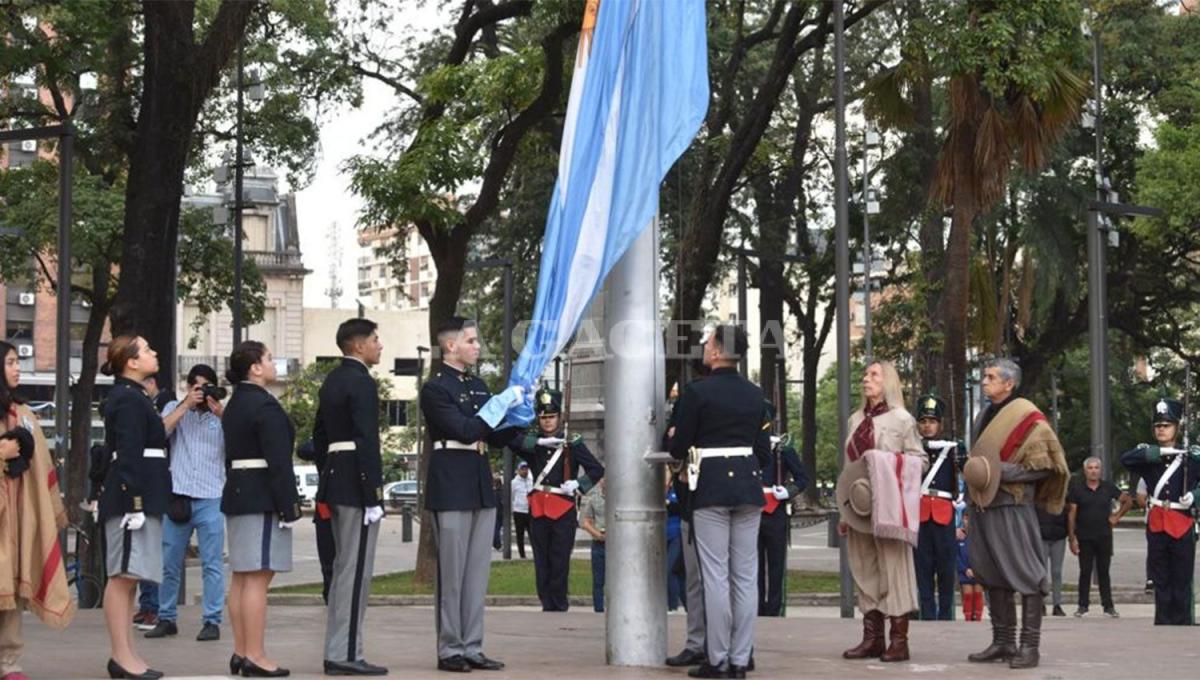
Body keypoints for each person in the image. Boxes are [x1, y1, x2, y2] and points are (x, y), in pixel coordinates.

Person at [420, 316, 525, 673]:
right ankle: (450, 648)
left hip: (479, 483)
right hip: (450, 482)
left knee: (477, 573)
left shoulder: (477, 385)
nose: (477, 346)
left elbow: (493, 435)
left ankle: (472, 646)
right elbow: (465, 429)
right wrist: (499, 406)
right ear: (451, 346)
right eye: (471, 341)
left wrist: (522, 421)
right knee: (452, 574)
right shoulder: (435, 389)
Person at [668, 325, 770, 679]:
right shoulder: (756, 395)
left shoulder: (697, 393)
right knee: (744, 577)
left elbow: (678, 447)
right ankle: (741, 660)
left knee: (714, 577)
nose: (705, 346)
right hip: (748, 487)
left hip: (710, 487)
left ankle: (718, 658)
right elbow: (763, 451)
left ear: (716, 351)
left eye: (708, 341)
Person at [962, 358, 1068, 670]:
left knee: (1026, 574)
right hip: (984, 504)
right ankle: (1003, 641)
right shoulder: (983, 415)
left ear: (1009, 383)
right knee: (991, 574)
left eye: (991, 377)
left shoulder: (1029, 418)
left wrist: (998, 471)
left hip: (1013, 505)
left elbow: (1046, 465)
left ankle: (1029, 647)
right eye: (984, 376)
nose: (984, 381)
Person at [222, 341, 303, 677]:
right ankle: (255, 654)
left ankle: (241, 651)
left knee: (243, 576)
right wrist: (289, 505)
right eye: (269, 358)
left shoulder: (235, 403)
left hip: (239, 492)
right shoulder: (264, 405)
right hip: (261, 494)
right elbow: (279, 461)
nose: (273, 364)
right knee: (257, 576)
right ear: (255, 367)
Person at [312, 318, 388, 676]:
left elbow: (319, 437)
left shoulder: (331, 380)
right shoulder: (360, 382)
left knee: (343, 570)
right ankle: (345, 653)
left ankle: (339, 648)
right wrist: (374, 493)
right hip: (356, 485)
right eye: (375, 339)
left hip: (335, 478)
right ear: (357, 346)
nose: (379, 345)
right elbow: (367, 441)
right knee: (355, 573)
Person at [836, 361, 925, 663]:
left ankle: (899, 641)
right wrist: (845, 512)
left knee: (894, 570)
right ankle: (872, 639)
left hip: (889, 507)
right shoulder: (855, 419)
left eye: (873, 375)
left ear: (888, 381)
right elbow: (849, 469)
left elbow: (919, 461)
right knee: (865, 569)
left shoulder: (902, 419)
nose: (866, 379)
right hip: (859, 508)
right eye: (864, 374)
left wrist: (884, 462)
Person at [0, 339, 74, 679]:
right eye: (11, 361)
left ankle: (9, 662)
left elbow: (41, 462)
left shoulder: (24, 413)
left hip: (18, 515)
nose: (17, 368)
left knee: (12, 587)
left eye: (18, 361)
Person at [99, 335, 171, 679]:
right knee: (123, 576)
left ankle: (127, 654)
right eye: (147, 349)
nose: (154, 353)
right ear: (131, 361)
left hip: (143, 492)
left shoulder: (135, 395)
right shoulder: (128, 399)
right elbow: (127, 454)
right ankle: (121, 656)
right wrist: (135, 502)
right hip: (131, 498)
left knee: (130, 578)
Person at [143, 364, 227, 642]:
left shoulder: (221, 418)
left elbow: (240, 441)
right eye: (197, 387)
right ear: (189, 387)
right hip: (179, 497)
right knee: (169, 563)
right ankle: (166, 618)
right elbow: (159, 432)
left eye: (207, 387)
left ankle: (212, 620)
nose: (202, 393)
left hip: (211, 497)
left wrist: (223, 413)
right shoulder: (174, 410)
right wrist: (185, 404)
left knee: (212, 564)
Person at [510, 387, 604, 612]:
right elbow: (511, 440)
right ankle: (546, 603)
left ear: (560, 417)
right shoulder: (534, 443)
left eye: (551, 417)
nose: (547, 422)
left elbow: (596, 469)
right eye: (543, 417)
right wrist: (537, 444)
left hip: (563, 508)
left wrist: (578, 485)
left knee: (560, 559)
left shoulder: (572, 442)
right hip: (539, 508)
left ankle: (559, 604)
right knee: (541, 560)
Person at [1120, 397, 1200, 625]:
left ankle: (1182, 621)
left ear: (1177, 428)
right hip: (1157, 523)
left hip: (1181, 521)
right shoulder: (1149, 455)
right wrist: (1154, 453)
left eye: (1166, 425)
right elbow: (1125, 460)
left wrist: (1194, 496)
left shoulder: (1190, 457)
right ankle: (1163, 622)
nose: (1161, 430)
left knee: (1181, 578)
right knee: (1160, 578)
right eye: (1158, 426)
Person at [664, 356, 710, 669]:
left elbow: (674, 441)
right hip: (692, 499)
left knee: (703, 578)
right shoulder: (747, 394)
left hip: (701, 498)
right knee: (696, 577)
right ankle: (703, 643)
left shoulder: (692, 397)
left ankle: (710, 644)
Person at [911, 394, 964, 621]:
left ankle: (945, 616)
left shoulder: (952, 449)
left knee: (945, 569)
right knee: (922, 569)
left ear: (939, 424)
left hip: (944, 514)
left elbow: (970, 476)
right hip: (919, 514)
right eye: (923, 421)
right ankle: (927, 616)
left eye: (932, 422)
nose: (927, 426)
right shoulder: (913, 448)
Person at [757, 402, 808, 617]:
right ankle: (756, 607)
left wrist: (787, 491)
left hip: (776, 511)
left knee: (776, 564)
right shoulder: (748, 446)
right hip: (752, 510)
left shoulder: (783, 448)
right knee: (753, 566)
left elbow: (802, 478)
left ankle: (774, 609)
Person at [1067, 457, 1131, 618]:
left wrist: (1117, 516)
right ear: (1085, 470)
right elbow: (1071, 514)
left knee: (1104, 572)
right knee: (1085, 572)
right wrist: (1072, 538)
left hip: (1104, 536)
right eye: (1090, 468)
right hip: (1084, 536)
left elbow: (1128, 501)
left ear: (1100, 470)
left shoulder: (1108, 487)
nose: (1093, 471)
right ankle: (1082, 606)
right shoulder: (1077, 489)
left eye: (1096, 468)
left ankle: (1108, 606)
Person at [132, 375, 163, 633]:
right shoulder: (131, 400)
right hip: (140, 494)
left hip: (155, 491)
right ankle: (149, 606)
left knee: (151, 555)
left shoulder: (157, 404)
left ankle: (153, 607)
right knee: (131, 569)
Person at [296, 439, 335, 604]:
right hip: (325, 504)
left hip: (345, 500)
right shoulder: (324, 443)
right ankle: (329, 592)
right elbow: (303, 450)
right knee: (327, 557)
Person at [580, 479, 607, 613]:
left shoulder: (620, 499)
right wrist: (597, 534)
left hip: (617, 545)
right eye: (603, 478)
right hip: (599, 543)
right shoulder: (594, 499)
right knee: (598, 580)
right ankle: (598, 610)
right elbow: (586, 522)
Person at [1036, 504, 1068, 617]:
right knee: (1042, 572)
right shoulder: (1038, 496)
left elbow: (1068, 514)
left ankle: (1057, 604)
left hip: (1059, 536)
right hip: (1042, 536)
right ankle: (1041, 603)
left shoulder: (1062, 495)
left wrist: (1069, 533)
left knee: (1057, 571)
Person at [956, 512, 983, 621]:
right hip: (965, 572)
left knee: (978, 594)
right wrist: (965, 569)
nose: (968, 521)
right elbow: (956, 556)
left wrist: (977, 569)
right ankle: (968, 618)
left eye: (970, 518)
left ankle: (978, 617)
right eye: (966, 518)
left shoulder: (980, 537)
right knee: (968, 595)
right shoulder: (959, 537)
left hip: (978, 571)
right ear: (963, 519)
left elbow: (983, 555)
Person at [510, 462, 533, 559]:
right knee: (520, 534)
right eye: (523, 469)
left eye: (526, 469)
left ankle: (536, 552)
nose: (525, 471)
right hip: (519, 511)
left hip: (530, 510)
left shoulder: (530, 480)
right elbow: (512, 496)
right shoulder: (514, 482)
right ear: (519, 470)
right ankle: (522, 554)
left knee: (533, 533)